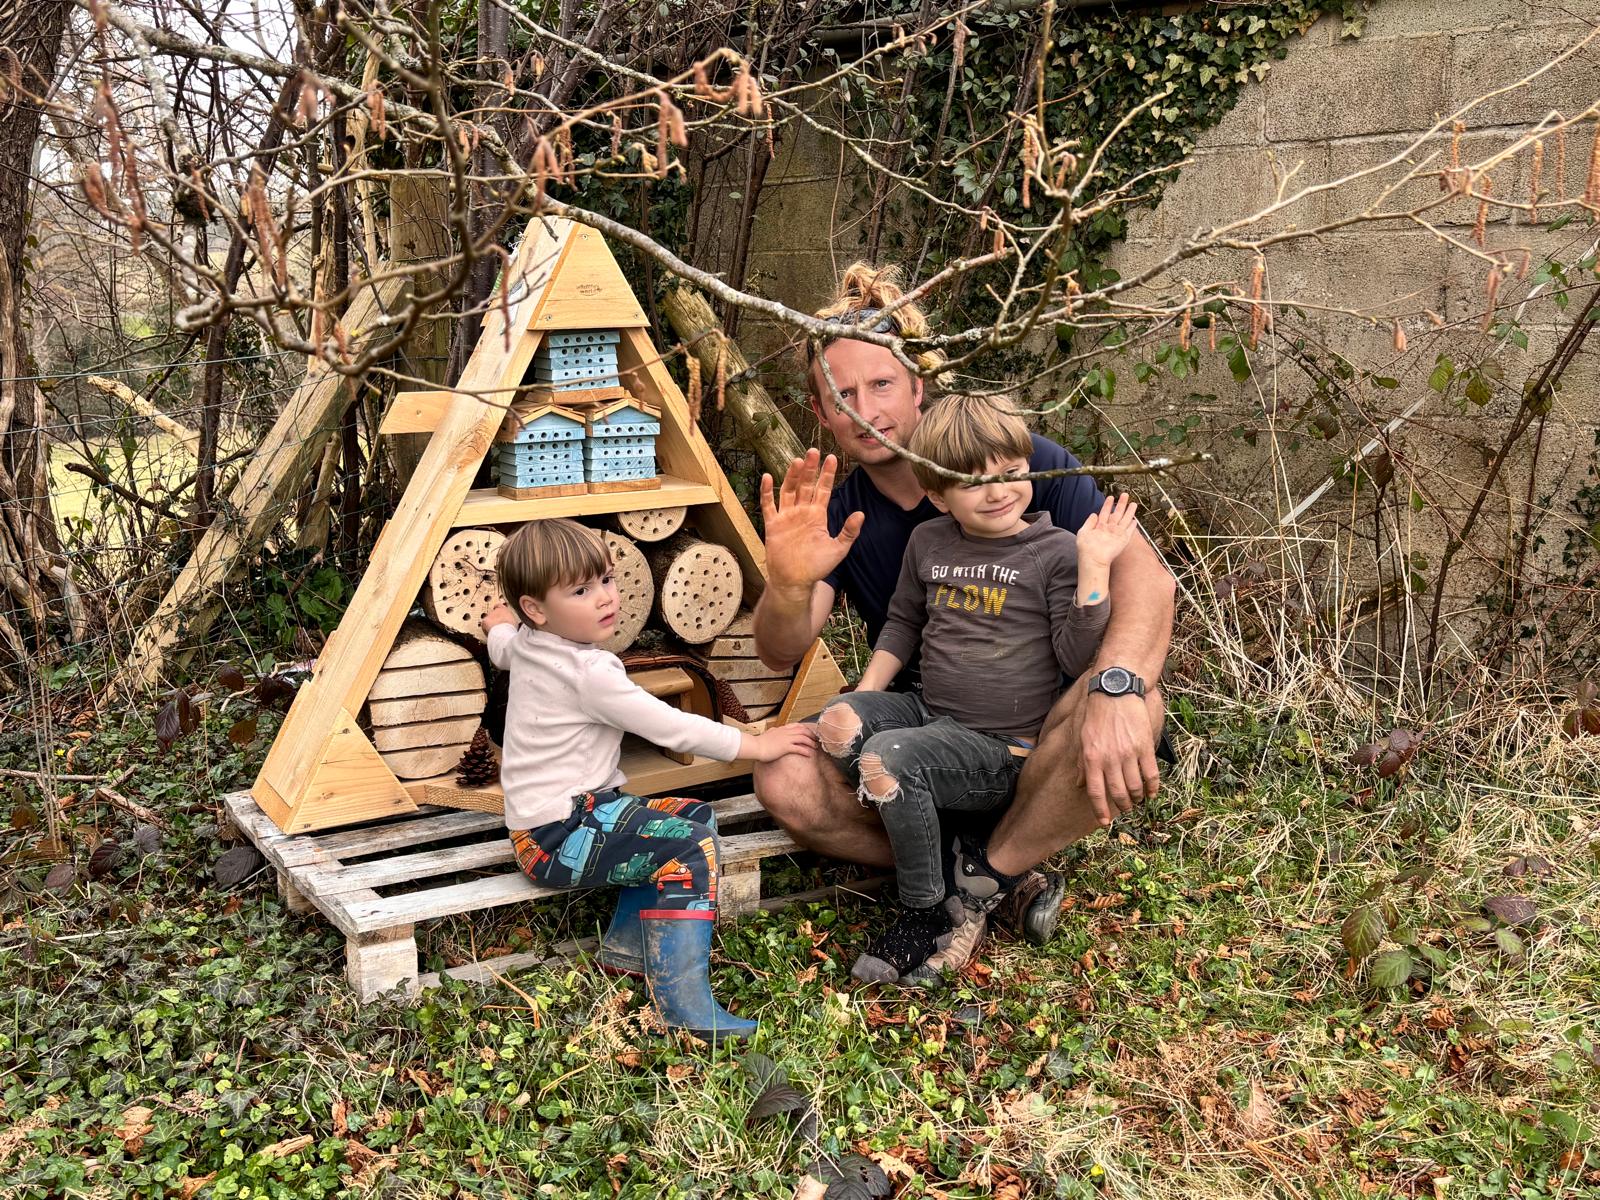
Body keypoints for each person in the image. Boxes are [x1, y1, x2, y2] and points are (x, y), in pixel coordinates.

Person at [752, 263, 1174, 973]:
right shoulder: (842, 513)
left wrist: (1117, 685)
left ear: (918, 384)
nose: (866, 410)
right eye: (842, 397)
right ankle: (987, 876)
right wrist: (788, 583)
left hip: (1030, 737)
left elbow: (1149, 583)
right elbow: (779, 647)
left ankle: (985, 874)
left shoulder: (1015, 463)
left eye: (881, 385)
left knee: (1141, 699)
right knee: (783, 779)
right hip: (924, 732)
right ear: (820, 415)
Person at [814, 393, 1139, 983]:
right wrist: (861, 698)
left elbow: (1074, 655)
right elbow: (904, 623)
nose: (998, 492)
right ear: (937, 495)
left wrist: (1094, 570)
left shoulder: (1054, 550)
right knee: (836, 724)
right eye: (973, 483)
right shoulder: (930, 543)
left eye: (1011, 474)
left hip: (1001, 744)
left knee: (890, 760)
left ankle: (926, 911)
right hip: (930, 712)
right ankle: (955, 859)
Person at [482, 518, 814, 1043]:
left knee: (694, 814)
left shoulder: (527, 642)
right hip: (561, 834)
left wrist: (495, 621)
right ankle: (682, 1002)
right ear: (537, 609)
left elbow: (502, 643)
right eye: (581, 590)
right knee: (689, 845)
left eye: (607, 580)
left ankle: (627, 949)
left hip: (554, 825)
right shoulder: (591, 674)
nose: (605, 598)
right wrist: (756, 746)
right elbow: (670, 725)